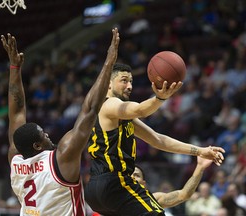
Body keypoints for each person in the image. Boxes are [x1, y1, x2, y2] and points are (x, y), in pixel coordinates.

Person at [1, 28, 120, 215]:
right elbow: (90, 110)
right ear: (37, 145)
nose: (48, 136)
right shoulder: (62, 158)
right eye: (44, 135)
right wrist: (109, 63)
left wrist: (14, 68)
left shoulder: (15, 159)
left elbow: (16, 113)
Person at [84, 62, 225, 216]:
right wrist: (159, 98)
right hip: (115, 183)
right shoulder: (110, 104)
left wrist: (200, 151)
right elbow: (139, 110)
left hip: (95, 190)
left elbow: (158, 140)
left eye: (131, 81)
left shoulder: (117, 115)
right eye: (124, 80)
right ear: (108, 84)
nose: (129, 86)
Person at [132, 156, 213, 209]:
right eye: (129, 175)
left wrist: (200, 167)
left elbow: (184, 194)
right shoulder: (119, 200)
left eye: (136, 175)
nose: (132, 177)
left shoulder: (154, 199)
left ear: (143, 183)